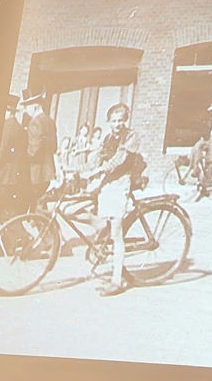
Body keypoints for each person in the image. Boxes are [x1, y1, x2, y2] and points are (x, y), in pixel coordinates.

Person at [81, 103, 145, 296]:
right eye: (114, 121)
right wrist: (81, 170)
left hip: (122, 183)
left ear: (125, 120)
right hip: (108, 182)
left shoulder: (131, 136)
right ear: (109, 122)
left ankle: (117, 281)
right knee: (88, 211)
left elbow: (120, 158)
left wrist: (99, 170)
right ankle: (103, 234)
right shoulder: (108, 138)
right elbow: (97, 156)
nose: (117, 124)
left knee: (117, 234)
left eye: (120, 120)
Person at [20, 89, 57, 211]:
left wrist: (22, 158)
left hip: (35, 172)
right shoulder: (50, 121)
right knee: (40, 202)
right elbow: (54, 147)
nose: (25, 111)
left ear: (35, 106)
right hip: (48, 172)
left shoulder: (35, 122)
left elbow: (33, 150)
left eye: (26, 107)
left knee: (32, 204)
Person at [0, 94, 29, 221]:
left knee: (4, 212)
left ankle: (21, 233)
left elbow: (1, 151)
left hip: (4, 176)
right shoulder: (19, 127)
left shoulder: (7, 126)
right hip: (13, 176)